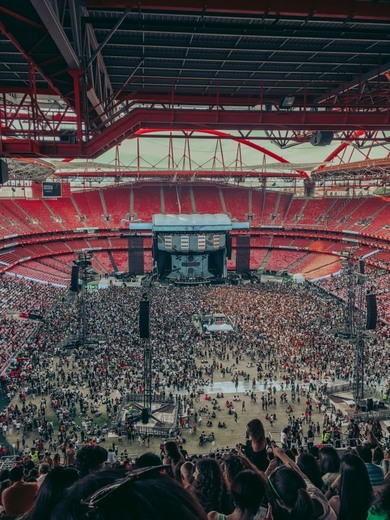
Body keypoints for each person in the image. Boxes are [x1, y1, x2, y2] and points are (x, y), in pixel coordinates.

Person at [328, 452, 373, 520]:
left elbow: (323, 507)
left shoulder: (335, 502)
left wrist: (332, 487)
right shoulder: (375, 501)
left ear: (344, 477)